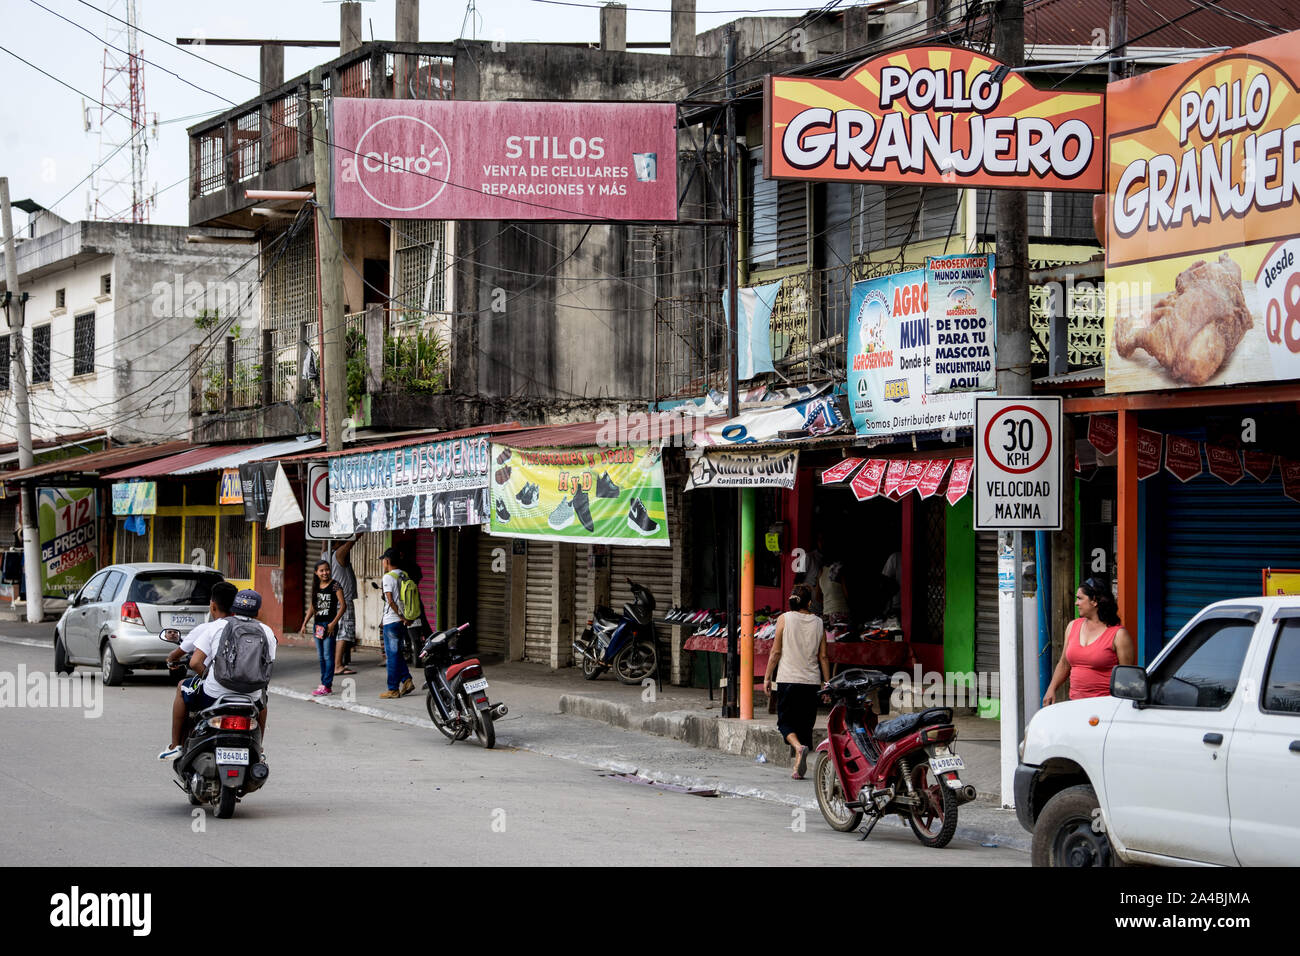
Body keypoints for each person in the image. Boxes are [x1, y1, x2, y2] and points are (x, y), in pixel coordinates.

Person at [159, 586, 277, 759]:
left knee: (182, 688)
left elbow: (194, 662)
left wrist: (210, 677)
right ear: (258, 611)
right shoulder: (267, 632)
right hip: (250, 698)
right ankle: (258, 749)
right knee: (263, 699)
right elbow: (267, 667)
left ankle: (176, 745)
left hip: (214, 694)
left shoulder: (216, 627)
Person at [763, 584, 830, 780]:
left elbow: (775, 652)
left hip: (788, 680)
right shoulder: (819, 623)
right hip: (811, 682)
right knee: (805, 725)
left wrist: (767, 677)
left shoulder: (784, 618)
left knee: (785, 723)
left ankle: (797, 747)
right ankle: (796, 766)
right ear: (810, 602)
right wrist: (827, 684)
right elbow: (823, 657)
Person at [1043, 577, 1136, 705]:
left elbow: (1127, 678)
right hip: (1074, 703)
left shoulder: (1119, 635)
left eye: (1080, 598)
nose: (1076, 603)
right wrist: (1051, 689)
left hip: (1105, 705)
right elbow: (1064, 663)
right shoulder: (1072, 626)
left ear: (1094, 601)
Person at [300, 560, 346, 696]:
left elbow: (343, 606)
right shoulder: (316, 586)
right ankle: (324, 683)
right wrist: (304, 623)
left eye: (327, 570)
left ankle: (327, 685)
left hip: (329, 626)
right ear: (316, 573)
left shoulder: (335, 585)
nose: (325, 572)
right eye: (321, 570)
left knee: (328, 656)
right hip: (318, 626)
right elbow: (313, 607)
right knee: (321, 657)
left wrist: (333, 623)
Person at [379, 548, 416, 700]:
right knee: (397, 653)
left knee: (392, 656)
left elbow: (390, 600)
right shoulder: (404, 574)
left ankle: (393, 689)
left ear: (387, 561)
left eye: (383, 560)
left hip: (392, 621)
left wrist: (400, 616)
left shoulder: (388, 577)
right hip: (402, 621)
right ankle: (406, 680)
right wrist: (406, 618)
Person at [323, 533, 360, 674]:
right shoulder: (338, 556)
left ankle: (333, 663)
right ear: (337, 543)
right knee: (345, 632)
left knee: (334, 632)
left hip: (331, 600)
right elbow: (352, 541)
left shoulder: (325, 555)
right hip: (342, 600)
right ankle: (337, 665)